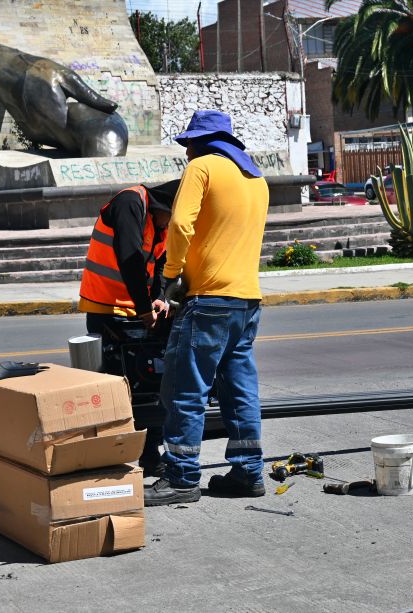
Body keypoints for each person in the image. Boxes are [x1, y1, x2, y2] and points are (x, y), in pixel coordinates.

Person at [145, 110, 270, 507]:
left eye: (188, 145)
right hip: (247, 300)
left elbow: (181, 225)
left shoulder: (202, 168)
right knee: (240, 390)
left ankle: (182, 477)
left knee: (186, 389)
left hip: (208, 300)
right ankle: (248, 472)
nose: (186, 153)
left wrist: (171, 275)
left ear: (199, 143)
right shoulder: (256, 179)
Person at [78, 180, 179, 478]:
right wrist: (145, 307)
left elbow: (160, 262)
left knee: (149, 386)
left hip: (136, 310)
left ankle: (150, 454)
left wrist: (160, 298)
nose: (171, 224)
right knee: (116, 390)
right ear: (163, 209)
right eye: (170, 217)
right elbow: (129, 258)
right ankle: (112, 457)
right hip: (108, 309)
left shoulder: (158, 224)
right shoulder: (130, 203)